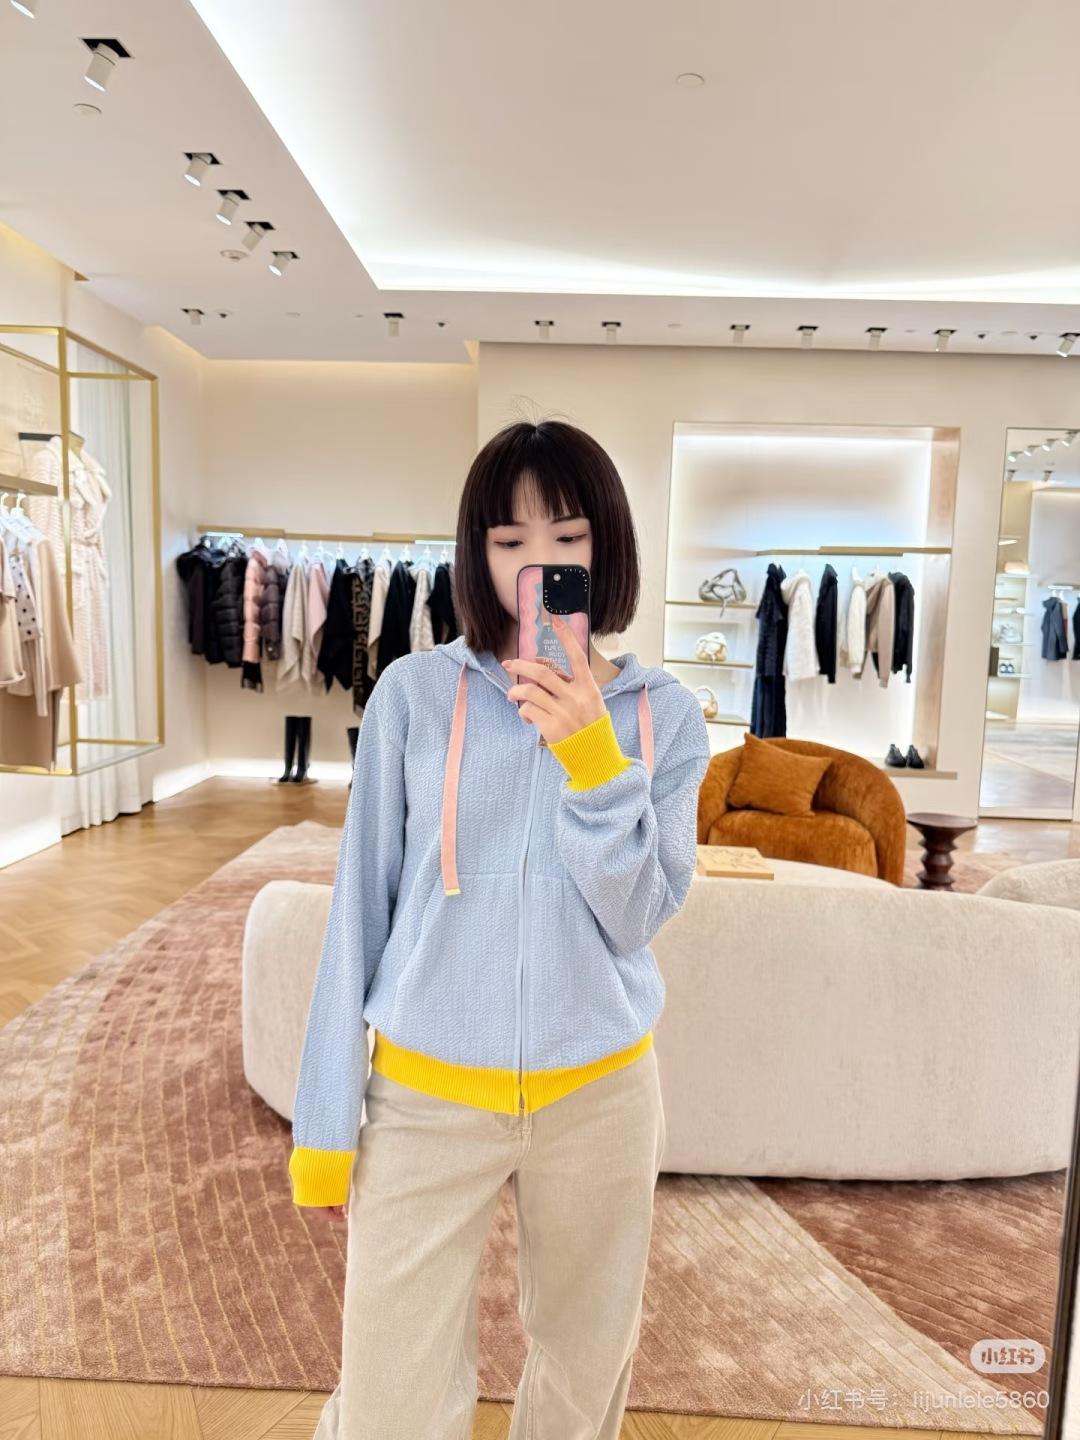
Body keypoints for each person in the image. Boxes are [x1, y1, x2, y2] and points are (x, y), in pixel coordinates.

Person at [289, 418, 712, 1440]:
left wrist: (594, 759)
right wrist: (325, 1126)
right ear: (475, 554)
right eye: (509, 541)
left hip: (601, 1094)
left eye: (566, 538)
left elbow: (637, 919)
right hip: (424, 1092)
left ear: (606, 548)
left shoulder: (665, 718)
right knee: (390, 1393)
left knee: (584, 1369)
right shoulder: (412, 696)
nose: (538, 566)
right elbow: (357, 913)